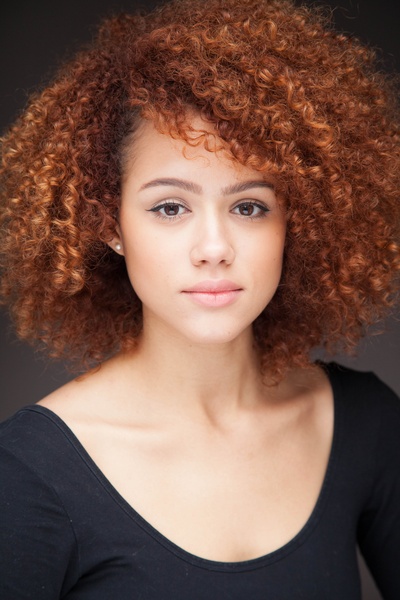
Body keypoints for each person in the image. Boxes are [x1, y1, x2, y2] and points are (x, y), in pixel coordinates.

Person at [0, 0, 399, 597]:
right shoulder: (29, 474)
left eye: (249, 206)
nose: (214, 248)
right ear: (109, 224)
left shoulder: (361, 424)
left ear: (297, 223)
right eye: (170, 207)